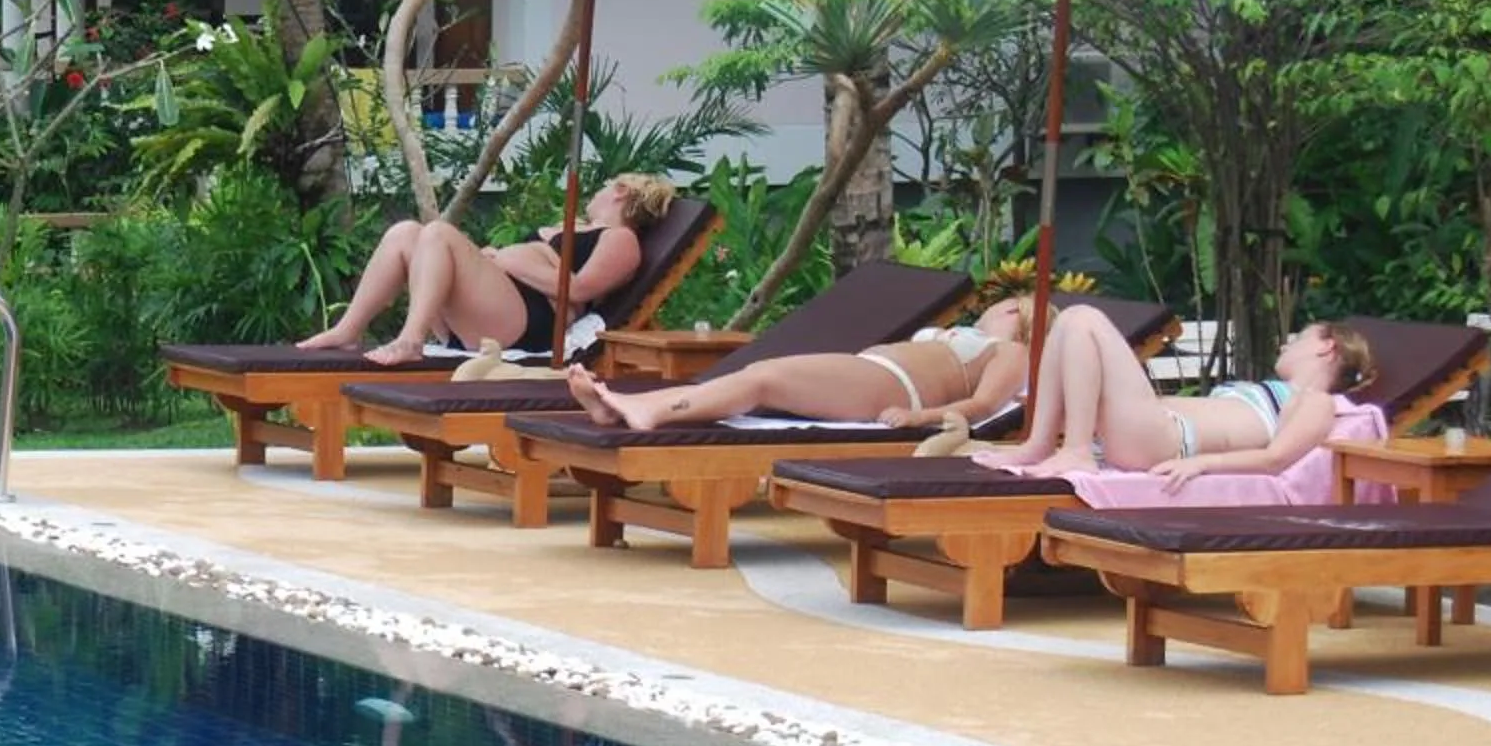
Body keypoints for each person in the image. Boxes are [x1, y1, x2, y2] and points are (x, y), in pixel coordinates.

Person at [973, 306, 1377, 486]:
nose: (1287, 345)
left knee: (1084, 319)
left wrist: (1204, 464)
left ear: (1327, 348)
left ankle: (1073, 449)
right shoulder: (1281, 392)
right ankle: (1041, 443)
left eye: (1300, 338)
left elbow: (1276, 459)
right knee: (1068, 326)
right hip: (1151, 429)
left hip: (1171, 440)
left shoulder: (1316, 401)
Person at [300, 174, 675, 366]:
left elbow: (577, 290)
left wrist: (509, 260)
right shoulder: (578, 226)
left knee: (439, 234)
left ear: (622, 190)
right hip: (501, 306)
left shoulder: (621, 238)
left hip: (533, 322)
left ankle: (411, 339)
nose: (598, 191)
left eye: (607, 186)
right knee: (405, 233)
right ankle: (348, 330)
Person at [559, 294, 1039, 431]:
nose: (998, 304)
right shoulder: (970, 335)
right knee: (753, 378)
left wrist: (920, 418)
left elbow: (984, 403)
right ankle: (618, 404)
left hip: (894, 388)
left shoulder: (1012, 351)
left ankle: (652, 411)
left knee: (763, 379)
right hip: (873, 371)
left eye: (1009, 302)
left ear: (1019, 313)